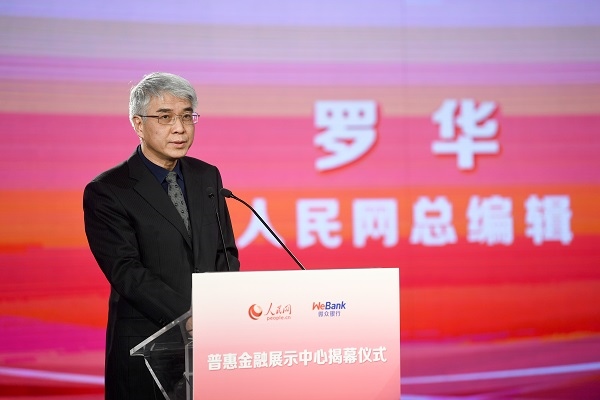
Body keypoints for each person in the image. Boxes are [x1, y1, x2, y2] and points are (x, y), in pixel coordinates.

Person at [83, 72, 240, 399]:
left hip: (211, 345)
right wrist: (189, 316)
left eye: (187, 116)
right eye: (165, 117)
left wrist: (223, 310)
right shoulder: (109, 190)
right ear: (138, 124)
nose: (179, 128)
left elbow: (225, 253)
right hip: (146, 345)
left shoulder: (206, 176)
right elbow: (126, 272)